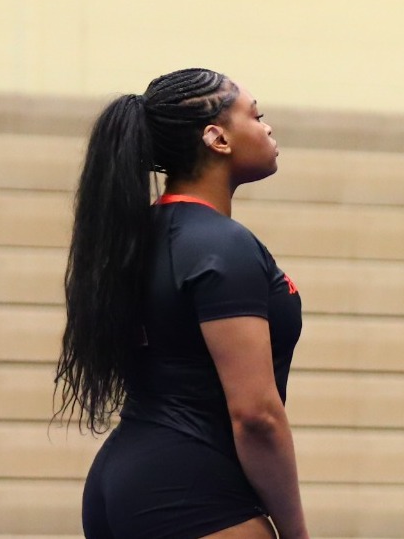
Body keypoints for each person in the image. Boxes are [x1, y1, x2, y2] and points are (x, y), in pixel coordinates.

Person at [54, 69, 308, 539]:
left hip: (122, 482)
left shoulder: (136, 236)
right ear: (217, 138)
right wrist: (295, 532)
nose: (268, 128)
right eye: (256, 116)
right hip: (190, 490)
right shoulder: (221, 246)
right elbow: (257, 416)